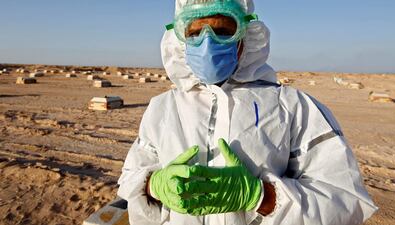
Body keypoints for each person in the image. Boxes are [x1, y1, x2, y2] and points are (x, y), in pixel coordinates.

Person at [117, 0, 378, 224]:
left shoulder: (291, 107)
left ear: (244, 37)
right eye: (195, 32)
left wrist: (262, 196)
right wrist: (153, 186)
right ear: (180, 41)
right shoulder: (161, 109)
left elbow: (345, 201)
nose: (207, 42)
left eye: (222, 30)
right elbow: (130, 180)